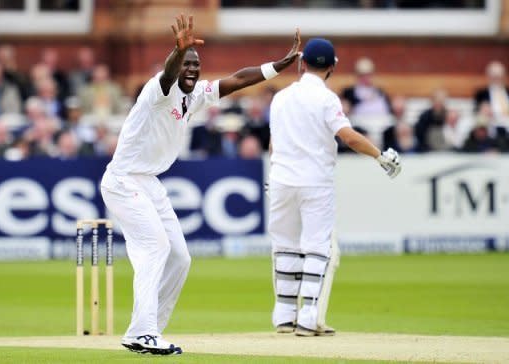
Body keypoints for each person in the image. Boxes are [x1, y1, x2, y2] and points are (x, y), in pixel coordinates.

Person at [100, 14, 301, 355]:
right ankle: (143, 331)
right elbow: (167, 75)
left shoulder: (196, 96)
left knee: (180, 257)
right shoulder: (158, 91)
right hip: (123, 180)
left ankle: (148, 331)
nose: (192, 70)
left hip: (148, 181)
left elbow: (237, 80)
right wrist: (178, 53)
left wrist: (279, 65)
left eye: (196, 64)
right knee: (155, 248)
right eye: (187, 64)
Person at [268, 38, 401, 337]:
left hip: (281, 181)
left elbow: (274, 142)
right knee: (317, 247)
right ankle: (308, 316)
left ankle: (284, 315)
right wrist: (381, 157)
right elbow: (348, 137)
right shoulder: (327, 99)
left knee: (285, 245)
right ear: (331, 67)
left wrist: (273, 173)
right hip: (315, 182)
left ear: (302, 64)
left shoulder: (280, 98)